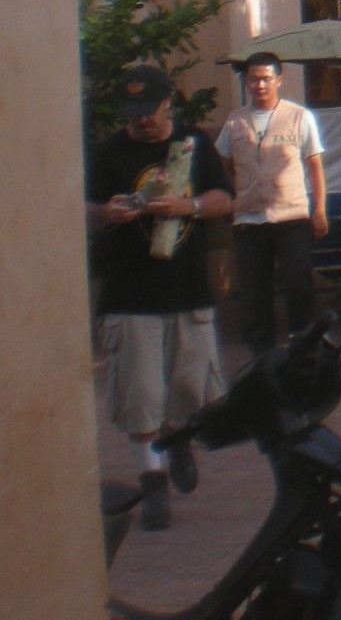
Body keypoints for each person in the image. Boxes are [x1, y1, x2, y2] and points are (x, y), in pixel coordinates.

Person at [85, 63, 233, 531]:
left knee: (192, 390)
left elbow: (224, 198)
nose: (142, 120)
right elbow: (81, 210)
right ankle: (153, 484)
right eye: (133, 112)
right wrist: (106, 213)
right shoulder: (107, 153)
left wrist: (188, 205)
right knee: (141, 394)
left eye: (149, 110)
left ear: (168, 103)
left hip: (186, 291)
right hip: (129, 292)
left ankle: (178, 436)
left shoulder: (192, 145)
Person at [216, 52, 328, 356]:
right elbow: (222, 163)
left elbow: (315, 165)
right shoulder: (235, 121)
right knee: (253, 294)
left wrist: (319, 210)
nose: (260, 85)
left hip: (290, 215)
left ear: (279, 80)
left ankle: (302, 344)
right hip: (249, 219)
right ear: (246, 82)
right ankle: (261, 358)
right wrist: (232, 197)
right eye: (253, 79)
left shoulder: (299, 116)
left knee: (296, 283)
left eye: (266, 78)